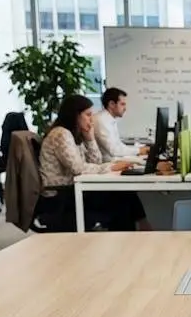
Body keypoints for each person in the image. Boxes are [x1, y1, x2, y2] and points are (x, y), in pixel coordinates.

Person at [38, 94, 149, 231]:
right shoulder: (61, 134)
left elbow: (95, 161)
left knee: (123, 193)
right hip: (61, 197)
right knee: (121, 199)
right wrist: (112, 167)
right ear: (75, 115)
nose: (92, 120)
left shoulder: (73, 134)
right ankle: (134, 235)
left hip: (73, 190)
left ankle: (139, 230)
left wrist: (89, 138)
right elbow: (78, 169)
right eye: (88, 115)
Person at [92, 87, 147, 162]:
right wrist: (138, 151)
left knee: (142, 161)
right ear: (111, 104)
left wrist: (139, 150)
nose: (125, 108)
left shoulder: (109, 119)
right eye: (122, 104)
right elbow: (114, 151)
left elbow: (119, 145)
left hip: (113, 160)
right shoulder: (101, 120)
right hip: (106, 164)